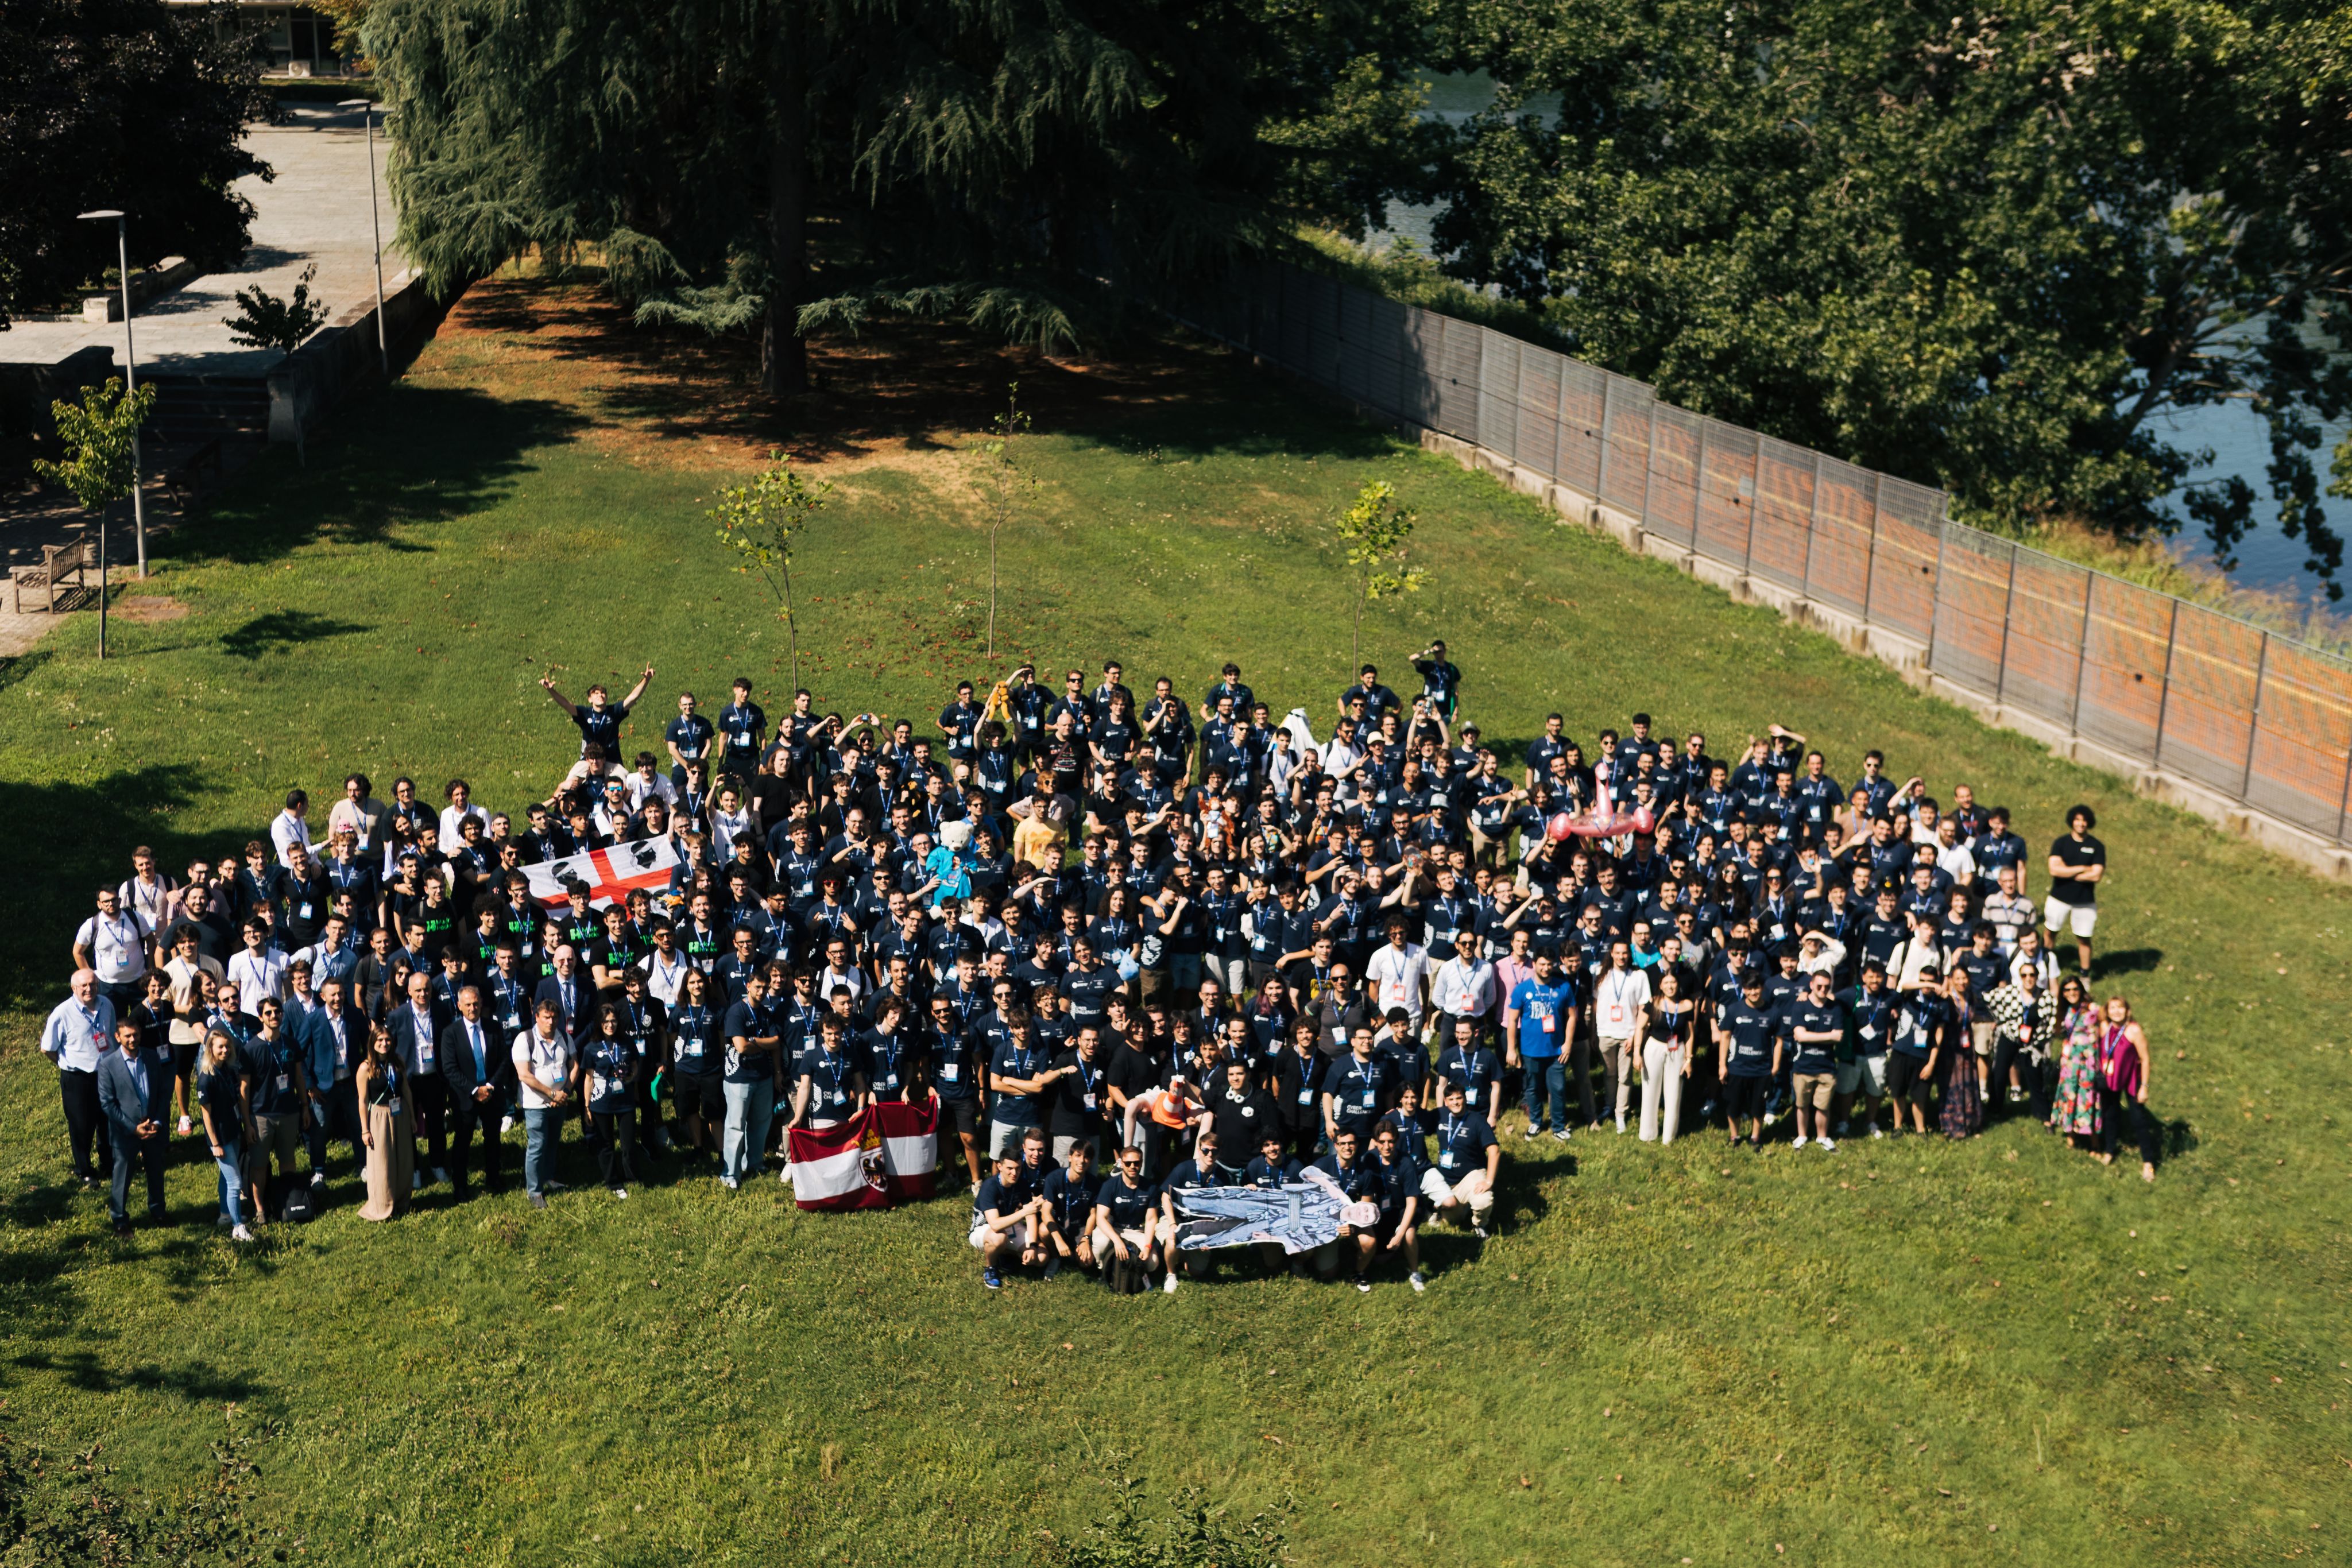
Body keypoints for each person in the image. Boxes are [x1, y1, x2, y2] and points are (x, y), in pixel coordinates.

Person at [96, 1016, 170, 1236]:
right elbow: (107, 1104)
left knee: (156, 1171)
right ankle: (119, 1219)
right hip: (125, 1132)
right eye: (127, 1036)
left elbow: (162, 1093)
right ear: (117, 1037)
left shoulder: (151, 1056)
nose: (132, 1039)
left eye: (136, 1034)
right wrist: (133, 1128)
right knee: (123, 1175)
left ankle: (158, 1212)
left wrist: (157, 1121)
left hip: (153, 1127)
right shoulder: (108, 1065)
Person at [41, 970, 115, 1189]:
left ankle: (108, 1163)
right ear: (74, 988)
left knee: (107, 1121)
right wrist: (66, 1064)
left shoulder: (107, 1005)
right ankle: (85, 1170)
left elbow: (111, 1035)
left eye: (92, 984)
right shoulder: (62, 1013)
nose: (88, 989)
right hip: (77, 1078)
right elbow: (47, 1048)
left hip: (105, 1074)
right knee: (81, 1125)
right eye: (83, 985)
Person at [1504, 951, 1576, 1142]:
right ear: (1534, 964)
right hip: (1531, 1050)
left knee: (1558, 1089)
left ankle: (1558, 1126)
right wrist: (1512, 1049)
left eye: (1549, 964)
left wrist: (1568, 1044)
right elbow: (1512, 1021)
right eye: (1542, 964)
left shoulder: (1563, 987)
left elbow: (1572, 1017)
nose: (1545, 968)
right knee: (1533, 1088)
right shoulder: (1522, 989)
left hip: (1556, 1051)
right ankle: (1536, 1122)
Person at [194, 1029, 257, 1241]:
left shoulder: (228, 1070)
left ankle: (225, 1214)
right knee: (235, 1183)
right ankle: (238, 1227)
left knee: (227, 1177)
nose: (225, 1050)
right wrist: (215, 1144)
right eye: (220, 1046)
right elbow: (206, 1116)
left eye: (227, 1046)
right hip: (220, 1138)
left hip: (233, 1131)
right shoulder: (206, 1079)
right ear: (210, 1049)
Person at [513, 998, 575, 1209]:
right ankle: (535, 1191)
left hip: (560, 1101)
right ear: (537, 1017)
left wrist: (565, 1091)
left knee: (553, 1142)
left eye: (554, 1017)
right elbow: (525, 1075)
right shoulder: (525, 1039)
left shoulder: (564, 1037)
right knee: (537, 1145)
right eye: (546, 1017)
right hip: (536, 1104)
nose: (551, 1022)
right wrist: (551, 1093)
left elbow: (574, 1065)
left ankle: (548, 1177)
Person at [579, 1003, 643, 1199]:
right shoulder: (591, 1048)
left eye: (613, 1021)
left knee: (628, 1143)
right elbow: (588, 1078)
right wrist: (587, 1106)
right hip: (601, 1102)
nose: (610, 1025)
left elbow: (635, 1066)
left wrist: (632, 1078)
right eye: (606, 1021)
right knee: (606, 1144)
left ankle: (631, 1177)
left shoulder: (626, 1042)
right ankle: (613, 1182)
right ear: (599, 1023)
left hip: (625, 1101)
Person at [355, 1023, 416, 1221]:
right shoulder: (366, 1068)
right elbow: (363, 1101)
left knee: (403, 1158)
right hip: (380, 1117)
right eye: (380, 1040)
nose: (384, 1044)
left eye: (387, 1040)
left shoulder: (397, 1061)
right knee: (382, 1161)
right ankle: (382, 1205)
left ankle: (402, 1201)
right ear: (373, 1043)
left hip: (401, 1113)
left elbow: (406, 1089)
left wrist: (413, 1117)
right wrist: (365, 1130)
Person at [1425, 1082, 1499, 1237]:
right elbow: (1417, 1121)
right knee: (1452, 1222)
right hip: (1445, 1182)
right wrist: (1398, 1112)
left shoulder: (1477, 1120)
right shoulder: (1440, 1114)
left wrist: (1489, 1181)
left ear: (1465, 1099)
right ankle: (1448, 1209)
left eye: (1459, 1098)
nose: (1456, 1102)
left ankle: (1480, 1225)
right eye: (1451, 1099)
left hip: (1469, 1177)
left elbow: (1494, 1151)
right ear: (1445, 1101)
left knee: (1483, 1201)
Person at [2098, 995, 2158, 1182]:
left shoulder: (2134, 1030)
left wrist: (2145, 1087)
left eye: (2120, 1007)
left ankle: (2148, 1162)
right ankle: (2109, 1149)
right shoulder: (2104, 1028)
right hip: (2110, 1078)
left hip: (2131, 1078)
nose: (2116, 1011)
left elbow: (2146, 1058)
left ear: (2127, 1010)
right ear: (2107, 1011)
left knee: (2138, 1119)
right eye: (2112, 1008)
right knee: (2110, 1114)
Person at [1090, 1144, 1163, 1293]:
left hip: (1136, 1230)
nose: (1132, 1167)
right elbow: (1101, 1218)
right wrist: (1117, 1241)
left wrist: (1148, 1246)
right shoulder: (1110, 1185)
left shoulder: (1150, 1188)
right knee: (1099, 1245)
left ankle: (1134, 1271)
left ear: (1141, 1163)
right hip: (1113, 1227)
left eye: (1136, 1163)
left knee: (1153, 1263)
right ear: (1121, 1163)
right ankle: (1105, 1271)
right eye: (1128, 1163)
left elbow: (1151, 1220)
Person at [970, 1151, 1047, 1290]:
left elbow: (1030, 1217)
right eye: (1010, 1169)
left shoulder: (1022, 1183)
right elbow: (995, 1224)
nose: (1014, 1173)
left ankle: (1005, 1254)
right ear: (1000, 1167)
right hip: (985, 1228)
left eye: (1018, 1168)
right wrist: (1024, 1211)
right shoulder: (990, 1186)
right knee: (999, 1237)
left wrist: (1033, 1246)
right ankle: (991, 1268)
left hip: (1011, 1225)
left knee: (1041, 1258)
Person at [1637, 965, 1695, 1144]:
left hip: (1676, 1050)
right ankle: (1648, 1134)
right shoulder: (1653, 1003)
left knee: (1674, 1093)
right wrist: (1637, 1054)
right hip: (1654, 1048)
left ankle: (1668, 1137)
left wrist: (1689, 1059)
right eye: (1666, 983)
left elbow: (1689, 1034)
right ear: (1660, 986)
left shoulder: (1687, 1005)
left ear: (1678, 985)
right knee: (1650, 1091)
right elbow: (1640, 1028)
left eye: (1673, 983)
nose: (1670, 986)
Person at [2044, 804, 2105, 975]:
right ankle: (2046, 966)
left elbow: (2096, 876)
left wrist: (2068, 871)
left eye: (2084, 820)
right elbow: (2054, 870)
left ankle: (2085, 974)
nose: (2081, 824)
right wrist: (2083, 868)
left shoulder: (2097, 846)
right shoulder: (2061, 843)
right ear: (2072, 821)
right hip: (2059, 898)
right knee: (2050, 931)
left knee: (2084, 938)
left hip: (2084, 901)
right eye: (2077, 820)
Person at [2049, 974, 2103, 1148]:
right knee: (2070, 1093)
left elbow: (2104, 1026)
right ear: (2063, 993)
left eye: (2075, 989)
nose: (2072, 993)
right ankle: (2071, 1135)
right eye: (2068, 990)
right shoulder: (2065, 1010)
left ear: (2081, 990)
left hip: (2088, 1060)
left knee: (2088, 1096)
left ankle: (2094, 1141)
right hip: (2071, 1060)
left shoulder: (2092, 1008)